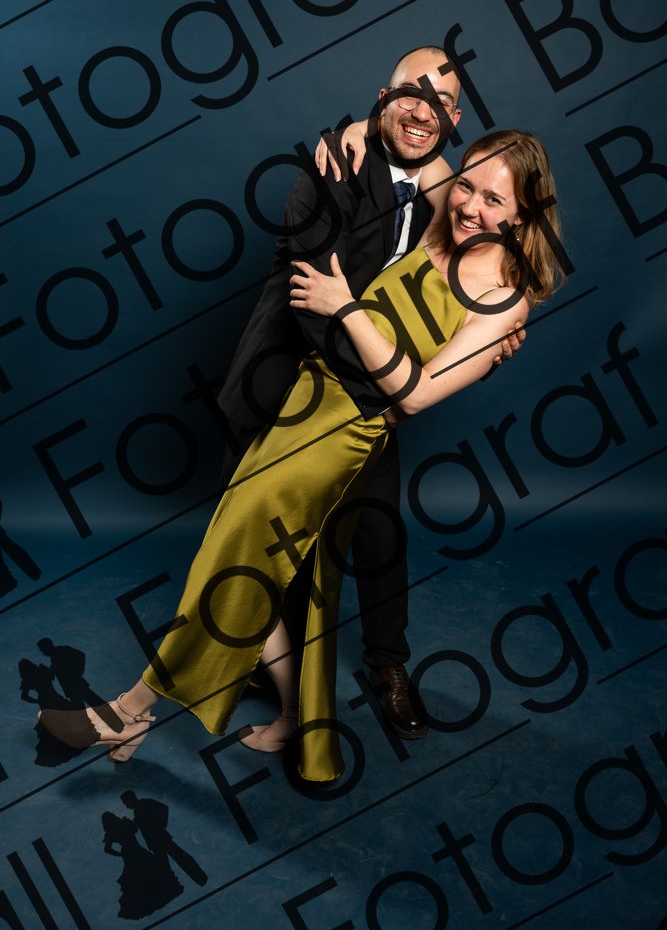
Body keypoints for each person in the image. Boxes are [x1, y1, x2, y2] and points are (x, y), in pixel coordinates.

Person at [38, 129, 565, 783]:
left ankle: (128, 712)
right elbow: (411, 139)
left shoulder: (503, 301)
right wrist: (357, 129)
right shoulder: (443, 219)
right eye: (466, 186)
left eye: (494, 200)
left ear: (525, 214)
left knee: (234, 559)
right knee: (260, 564)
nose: (470, 206)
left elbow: (415, 395)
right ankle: (300, 723)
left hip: (341, 433)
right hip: (300, 402)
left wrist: (344, 308)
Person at [216, 45, 522, 740]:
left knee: (379, 532)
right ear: (382, 99)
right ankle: (275, 678)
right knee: (262, 542)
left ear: (455, 119)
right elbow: (308, 298)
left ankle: (388, 667)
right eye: (408, 95)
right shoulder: (334, 164)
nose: (422, 112)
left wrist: (498, 334)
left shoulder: (454, 194)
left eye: (440, 103)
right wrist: (393, 382)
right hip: (283, 382)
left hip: (369, 399)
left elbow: (481, 281)